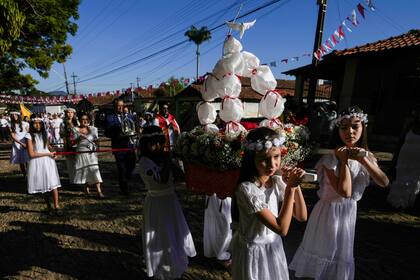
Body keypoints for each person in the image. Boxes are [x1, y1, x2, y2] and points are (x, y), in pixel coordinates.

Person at [289, 106, 389, 280]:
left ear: (363, 128)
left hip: (348, 213)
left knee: (339, 257)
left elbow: (384, 182)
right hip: (328, 213)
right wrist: (343, 162)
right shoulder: (330, 157)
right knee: (324, 252)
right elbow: (345, 191)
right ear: (337, 130)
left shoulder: (366, 156)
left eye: (355, 126)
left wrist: (363, 159)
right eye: (344, 127)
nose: (349, 132)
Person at [231, 126, 308, 280]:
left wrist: (295, 184)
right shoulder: (247, 189)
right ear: (251, 160)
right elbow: (281, 228)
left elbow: (301, 216)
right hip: (255, 252)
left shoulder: (276, 181)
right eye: (264, 160)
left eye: (277, 157)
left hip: (273, 248)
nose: (272, 164)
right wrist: (290, 189)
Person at [138, 125, 196, 279]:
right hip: (156, 203)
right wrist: (168, 160)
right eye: (153, 143)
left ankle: (174, 264)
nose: (157, 147)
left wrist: (180, 159)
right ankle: (161, 269)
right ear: (145, 145)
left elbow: (181, 176)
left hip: (170, 201)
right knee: (161, 236)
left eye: (160, 143)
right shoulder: (144, 163)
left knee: (174, 234)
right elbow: (162, 180)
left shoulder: (162, 158)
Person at [25, 115, 62, 216]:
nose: (37, 125)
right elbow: (32, 154)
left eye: (39, 123)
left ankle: (56, 206)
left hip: (48, 162)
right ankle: (49, 206)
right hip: (37, 162)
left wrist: (53, 153)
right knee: (43, 185)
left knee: (53, 184)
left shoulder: (46, 134)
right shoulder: (29, 136)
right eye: (35, 123)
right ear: (32, 124)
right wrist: (48, 154)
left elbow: (48, 147)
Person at [387, 108, 420, 209]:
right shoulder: (410, 125)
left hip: (417, 159)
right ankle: (397, 201)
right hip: (405, 156)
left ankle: (410, 201)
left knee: (414, 178)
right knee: (401, 176)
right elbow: (401, 141)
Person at [105, 99, 136, 195]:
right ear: (114, 106)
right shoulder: (110, 118)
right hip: (118, 146)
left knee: (132, 164)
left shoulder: (129, 116)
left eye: (122, 105)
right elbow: (107, 132)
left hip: (129, 145)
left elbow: (135, 127)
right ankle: (124, 188)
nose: (120, 107)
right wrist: (118, 132)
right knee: (122, 168)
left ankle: (125, 178)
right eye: (118, 105)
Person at [73, 113, 104, 198]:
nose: (85, 121)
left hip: (91, 153)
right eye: (82, 119)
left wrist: (98, 148)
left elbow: (97, 140)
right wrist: (78, 138)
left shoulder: (93, 129)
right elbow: (73, 142)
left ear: (89, 120)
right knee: (84, 171)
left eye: (86, 119)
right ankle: (86, 190)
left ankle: (99, 191)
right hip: (81, 152)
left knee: (95, 170)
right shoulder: (75, 129)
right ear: (79, 120)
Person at [203, 194, 232, 268]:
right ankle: (221, 254)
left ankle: (215, 251)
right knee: (223, 224)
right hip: (219, 192)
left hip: (217, 193)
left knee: (217, 222)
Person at [60, 107, 79, 184]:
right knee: (70, 164)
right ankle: (73, 180)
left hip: (77, 144)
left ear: (74, 114)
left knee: (78, 162)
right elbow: (61, 135)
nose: (70, 114)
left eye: (71, 112)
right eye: (68, 112)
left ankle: (79, 180)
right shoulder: (63, 123)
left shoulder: (77, 122)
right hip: (68, 144)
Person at [9, 111, 30, 176]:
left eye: (15, 115)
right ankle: (24, 175)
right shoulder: (11, 125)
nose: (14, 116)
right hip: (17, 144)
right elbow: (13, 136)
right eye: (13, 115)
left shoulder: (25, 123)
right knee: (21, 161)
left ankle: (29, 174)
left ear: (18, 116)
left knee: (27, 159)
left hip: (25, 142)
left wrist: (27, 143)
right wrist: (21, 143)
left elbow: (27, 133)